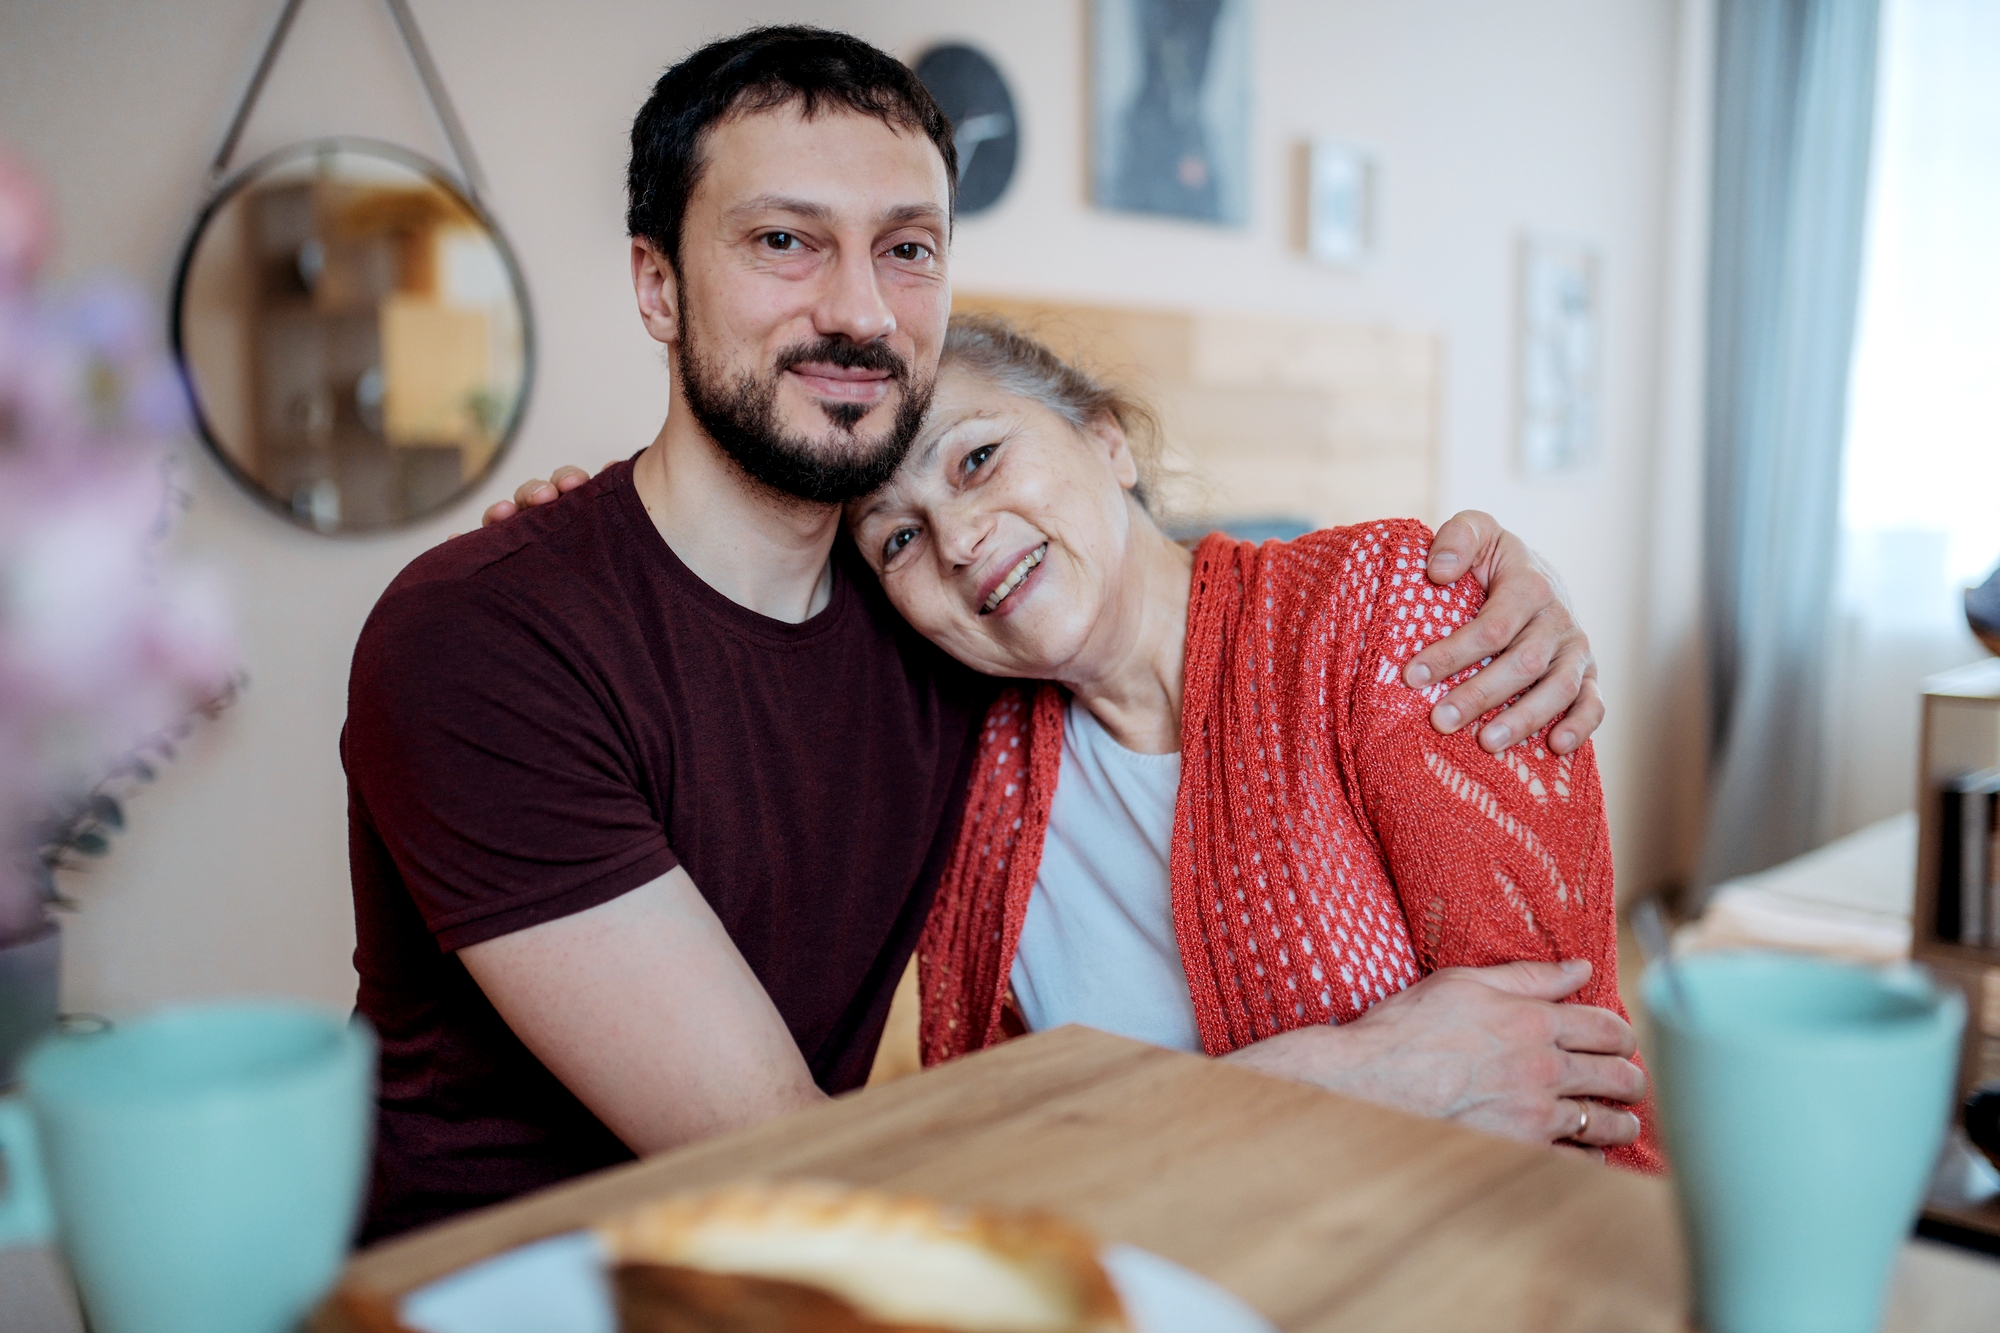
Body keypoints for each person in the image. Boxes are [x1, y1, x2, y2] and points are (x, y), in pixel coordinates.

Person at [346, 25, 1621, 1242]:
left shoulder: (945, 636)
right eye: (784, 239)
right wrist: (1356, 1076)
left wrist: (1487, 575)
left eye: (905, 248)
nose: (858, 308)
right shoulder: (482, 639)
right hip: (519, 1286)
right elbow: (795, 1167)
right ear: (655, 283)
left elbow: (1213, 603)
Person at [847, 318, 1659, 1168]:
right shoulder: (963, 773)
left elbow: (1572, 1095)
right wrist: (1339, 1077)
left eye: (976, 459)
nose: (959, 541)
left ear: (1106, 441)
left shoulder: (1381, 611)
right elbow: (1024, 1160)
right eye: (897, 538)